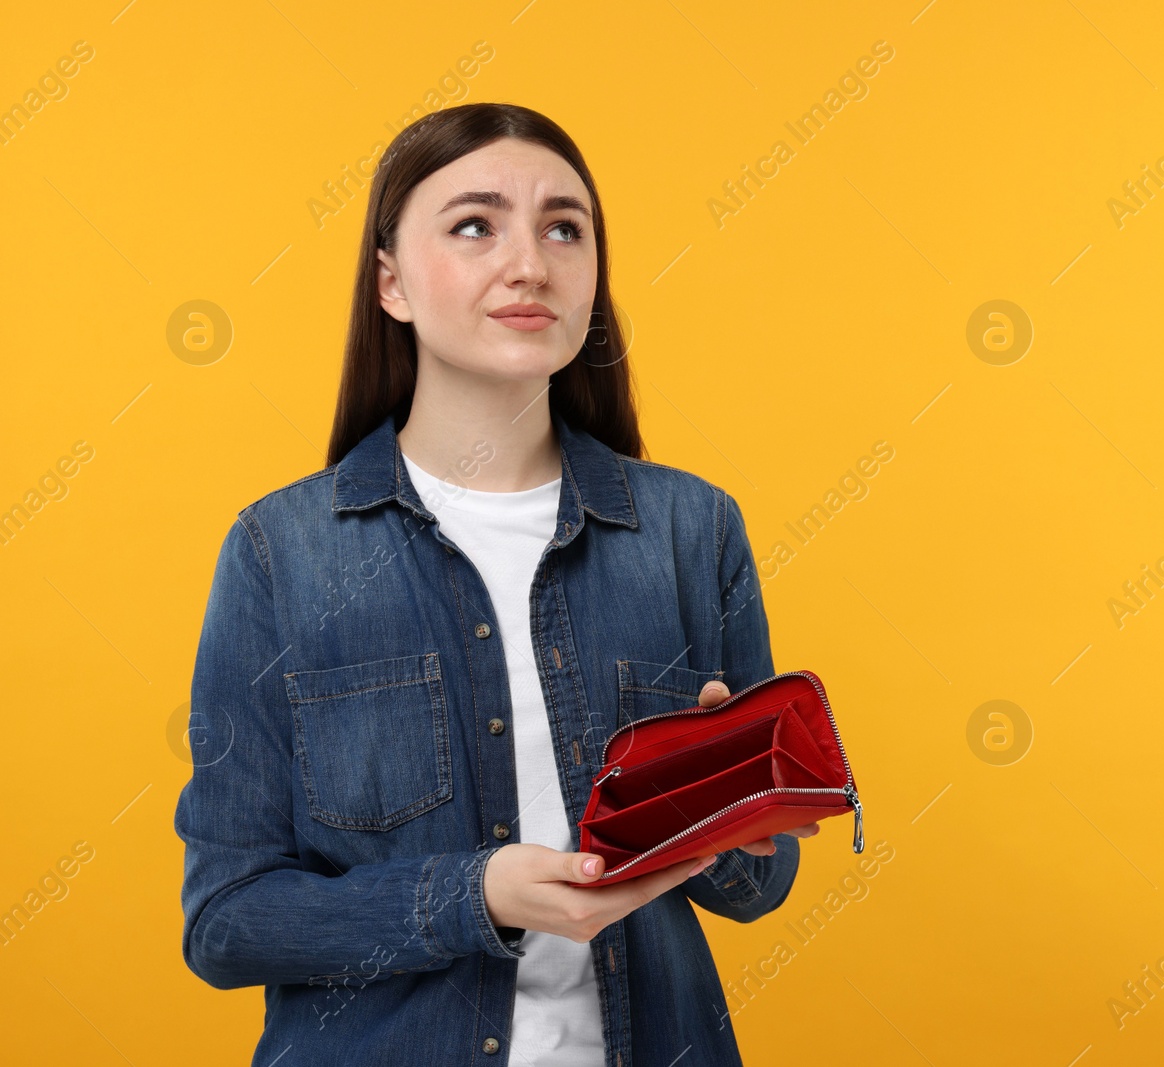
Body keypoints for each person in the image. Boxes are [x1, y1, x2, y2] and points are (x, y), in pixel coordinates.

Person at [174, 101, 815, 1067]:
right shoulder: (281, 552)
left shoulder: (693, 529)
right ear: (390, 283)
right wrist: (473, 897)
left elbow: (761, 889)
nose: (531, 264)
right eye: (476, 225)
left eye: (565, 227)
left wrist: (723, 818)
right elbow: (226, 920)